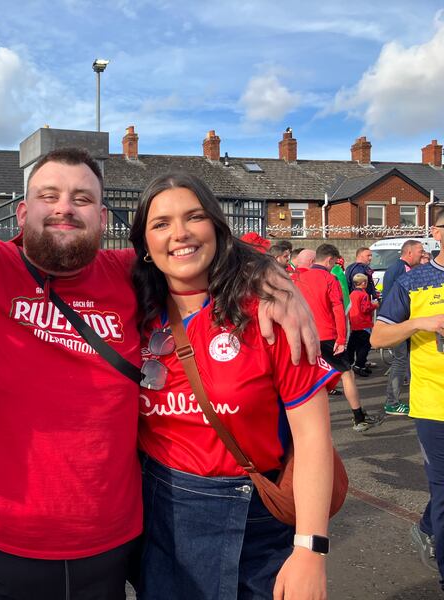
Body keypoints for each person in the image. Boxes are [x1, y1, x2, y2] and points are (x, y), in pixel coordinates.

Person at [0, 147, 320, 599]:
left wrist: (270, 275)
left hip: (109, 547)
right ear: (23, 211)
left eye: (82, 198)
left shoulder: (129, 275)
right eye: (48, 196)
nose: (65, 208)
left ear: (102, 218)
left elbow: (194, 249)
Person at [131, 172, 335, 599]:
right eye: (161, 223)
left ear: (216, 227)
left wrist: (310, 549)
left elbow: (313, 436)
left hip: (256, 525)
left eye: (194, 217)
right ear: (144, 244)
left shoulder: (269, 312)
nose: (180, 233)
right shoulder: (133, 310)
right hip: (162, 520)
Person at [371, 212, 444, 588]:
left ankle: (427, 527)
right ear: (436, 233)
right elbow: (378, 338)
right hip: (435, 403)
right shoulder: (414, 281)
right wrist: (420, 323)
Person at [293, 243, 382, 432]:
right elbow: (338, 309)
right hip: (328, 335)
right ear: (329, 260)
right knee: (347, 375)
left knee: (313, 379)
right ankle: (358, 417)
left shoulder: (298, 279)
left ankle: (311, 422)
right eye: (334, 262)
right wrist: (342, 338)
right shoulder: (329, 278)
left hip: (305, 335)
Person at [383, 239, 425, 416]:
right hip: (398, 323)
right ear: (409, 252)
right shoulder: (403, 269)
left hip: (396, 321)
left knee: (404, 360)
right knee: (400, 361)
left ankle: (401, 400)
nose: (422, 254)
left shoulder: (394, 267)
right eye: (420, 251)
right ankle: (392, 402)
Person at [346, 273, 379, 377]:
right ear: (363, 283)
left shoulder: (352, 294)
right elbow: (365, 309)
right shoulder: (363, 295)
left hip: (355, 322)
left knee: (355, 345)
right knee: (365, 346)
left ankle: (355, 363)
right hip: (364, 323)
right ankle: (359, 365)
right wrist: (374, 305)